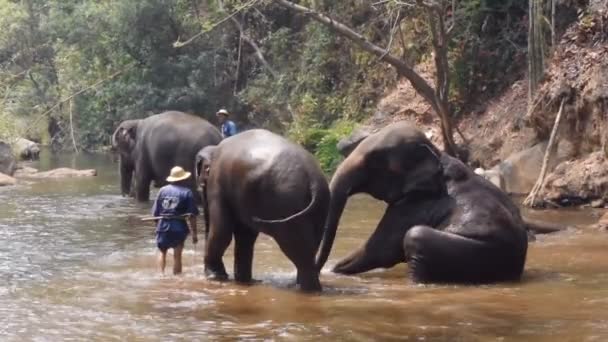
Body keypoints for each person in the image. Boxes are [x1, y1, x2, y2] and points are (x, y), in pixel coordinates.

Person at [151, 166, 199, 275]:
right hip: (178, 226)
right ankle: (177, 279)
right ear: (183, 179)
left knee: (162, 252)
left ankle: (161, 276)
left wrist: (158, 228)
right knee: (177, 256)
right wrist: (194, 234)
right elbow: (192, 215)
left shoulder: (162, 191)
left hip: (162, 225)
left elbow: (155, 214)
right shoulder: (187, 192)